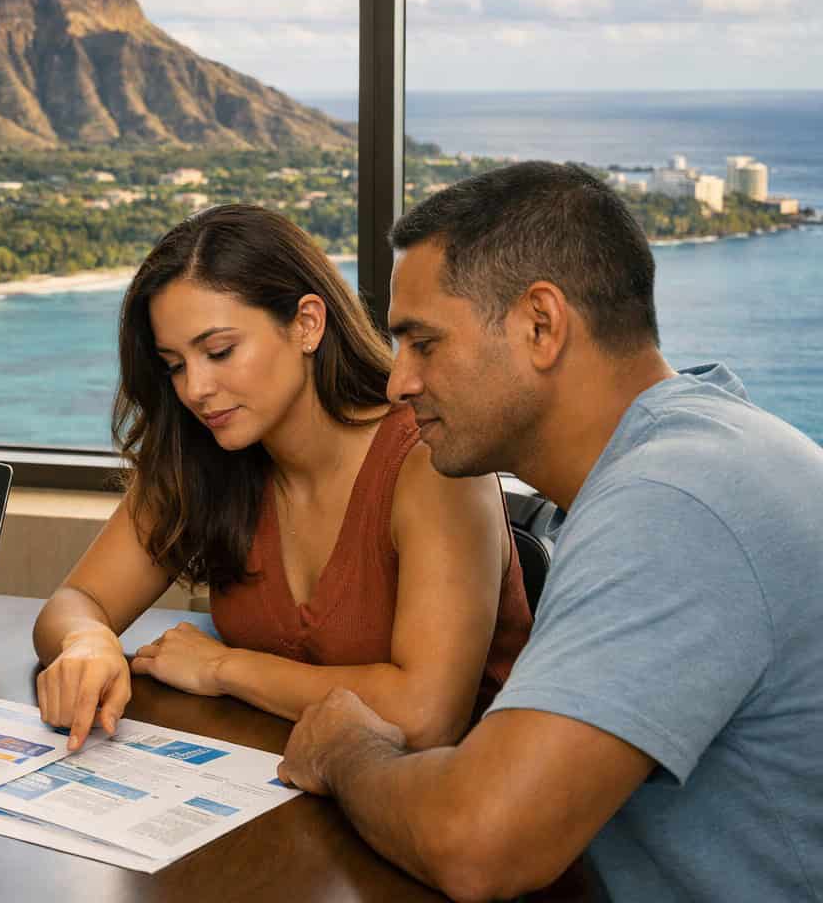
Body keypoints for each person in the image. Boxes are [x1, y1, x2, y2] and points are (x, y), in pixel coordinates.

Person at [276, 162, 823, 901]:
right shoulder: (697, 446)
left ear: (542, 324)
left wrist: (346, 750)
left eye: (424, 343)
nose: (398, 382)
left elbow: (480, 842)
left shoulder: (672, 506)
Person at [33, 204, 533, 751]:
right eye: (175, 364)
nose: (195, 388)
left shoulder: (432, 463)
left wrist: (224, 667)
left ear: (307, 325)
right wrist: (87, 641)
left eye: (219, 351)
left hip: (445, 812)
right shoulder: (205, 455)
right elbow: (76, 599)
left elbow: (423, 716)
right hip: (281, 792)